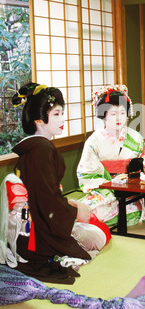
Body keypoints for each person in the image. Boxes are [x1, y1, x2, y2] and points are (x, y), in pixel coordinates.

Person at [10, 83, 109, 282]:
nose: (63, 119)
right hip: (39, 232)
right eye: (56, 114)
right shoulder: (42, 150)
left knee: (97, 225)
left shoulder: (36, 147)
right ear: (39, 119)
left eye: (62, 113)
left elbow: (45, 195)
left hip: (36, 221)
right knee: (100, 234)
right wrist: (74, 211)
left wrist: (70, 205)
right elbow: (47, 200)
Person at [77, 84, 145, 227]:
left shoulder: (135, 137)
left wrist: (132, 178)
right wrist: (111, 183)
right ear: (104, 115)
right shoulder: (94, 141)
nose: (118, 118)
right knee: (88, 211)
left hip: (130, 190)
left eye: (122, 113)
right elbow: (87, 173)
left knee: (129, 210)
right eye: (113, 114)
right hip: (105, 190)